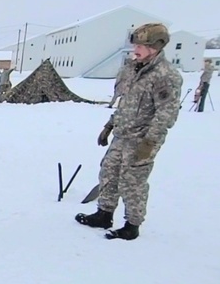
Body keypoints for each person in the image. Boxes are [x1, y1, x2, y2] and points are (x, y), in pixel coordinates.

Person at [75, 23, 182, 240]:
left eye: (142, 45)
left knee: (132, 181)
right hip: (121, 134)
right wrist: (109, 125)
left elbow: (166, 114)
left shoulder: (165, 75)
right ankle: (104, 214)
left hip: (142, 139)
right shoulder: (133, 70)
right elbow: (126, 104)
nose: (136, 50)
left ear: (156, 46)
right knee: (109, 172)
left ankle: (132, 224)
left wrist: (149, 143)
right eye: (136, 45)